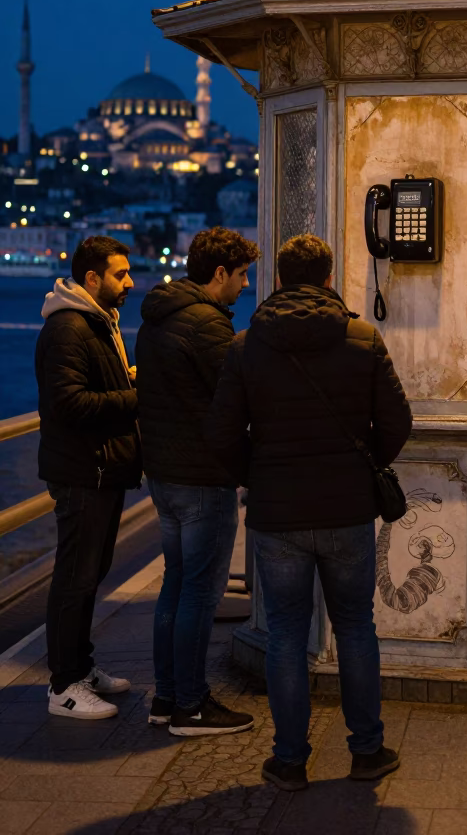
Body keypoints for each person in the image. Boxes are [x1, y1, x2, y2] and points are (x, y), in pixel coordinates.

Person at [205, 233, 412, 790]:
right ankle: (367, 751)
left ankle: (290, 760)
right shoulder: (362, 338)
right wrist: (362, 466)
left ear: (276, 280)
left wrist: (258, 473)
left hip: (278, 515)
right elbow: (397, 423)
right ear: (327, 279)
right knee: (356, 629)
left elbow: (221, 436)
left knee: (286, 636)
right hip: (347, 509)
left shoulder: (246, 346)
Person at [136, 227, 260, 737]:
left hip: (164, 475)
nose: (246, 285)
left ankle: (166, 697)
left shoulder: (156, 319)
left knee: (175, 587)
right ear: (218, 274)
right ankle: (191, 705)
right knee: (199, 596)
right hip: (204, 478)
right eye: (241, 275)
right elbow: (235, 398)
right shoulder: (208, 326)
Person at [36, 236, 141, 719]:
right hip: (83, 470)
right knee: (75, 578)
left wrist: (127, 382)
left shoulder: (97, 324)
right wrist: (139, 396)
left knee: (90, 574)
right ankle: (63, 686)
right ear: (91, 278)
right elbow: (70, 404)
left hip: (100, 468)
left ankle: (80, 668)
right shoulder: (68, 329)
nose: (130, 282)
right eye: (120, 274)